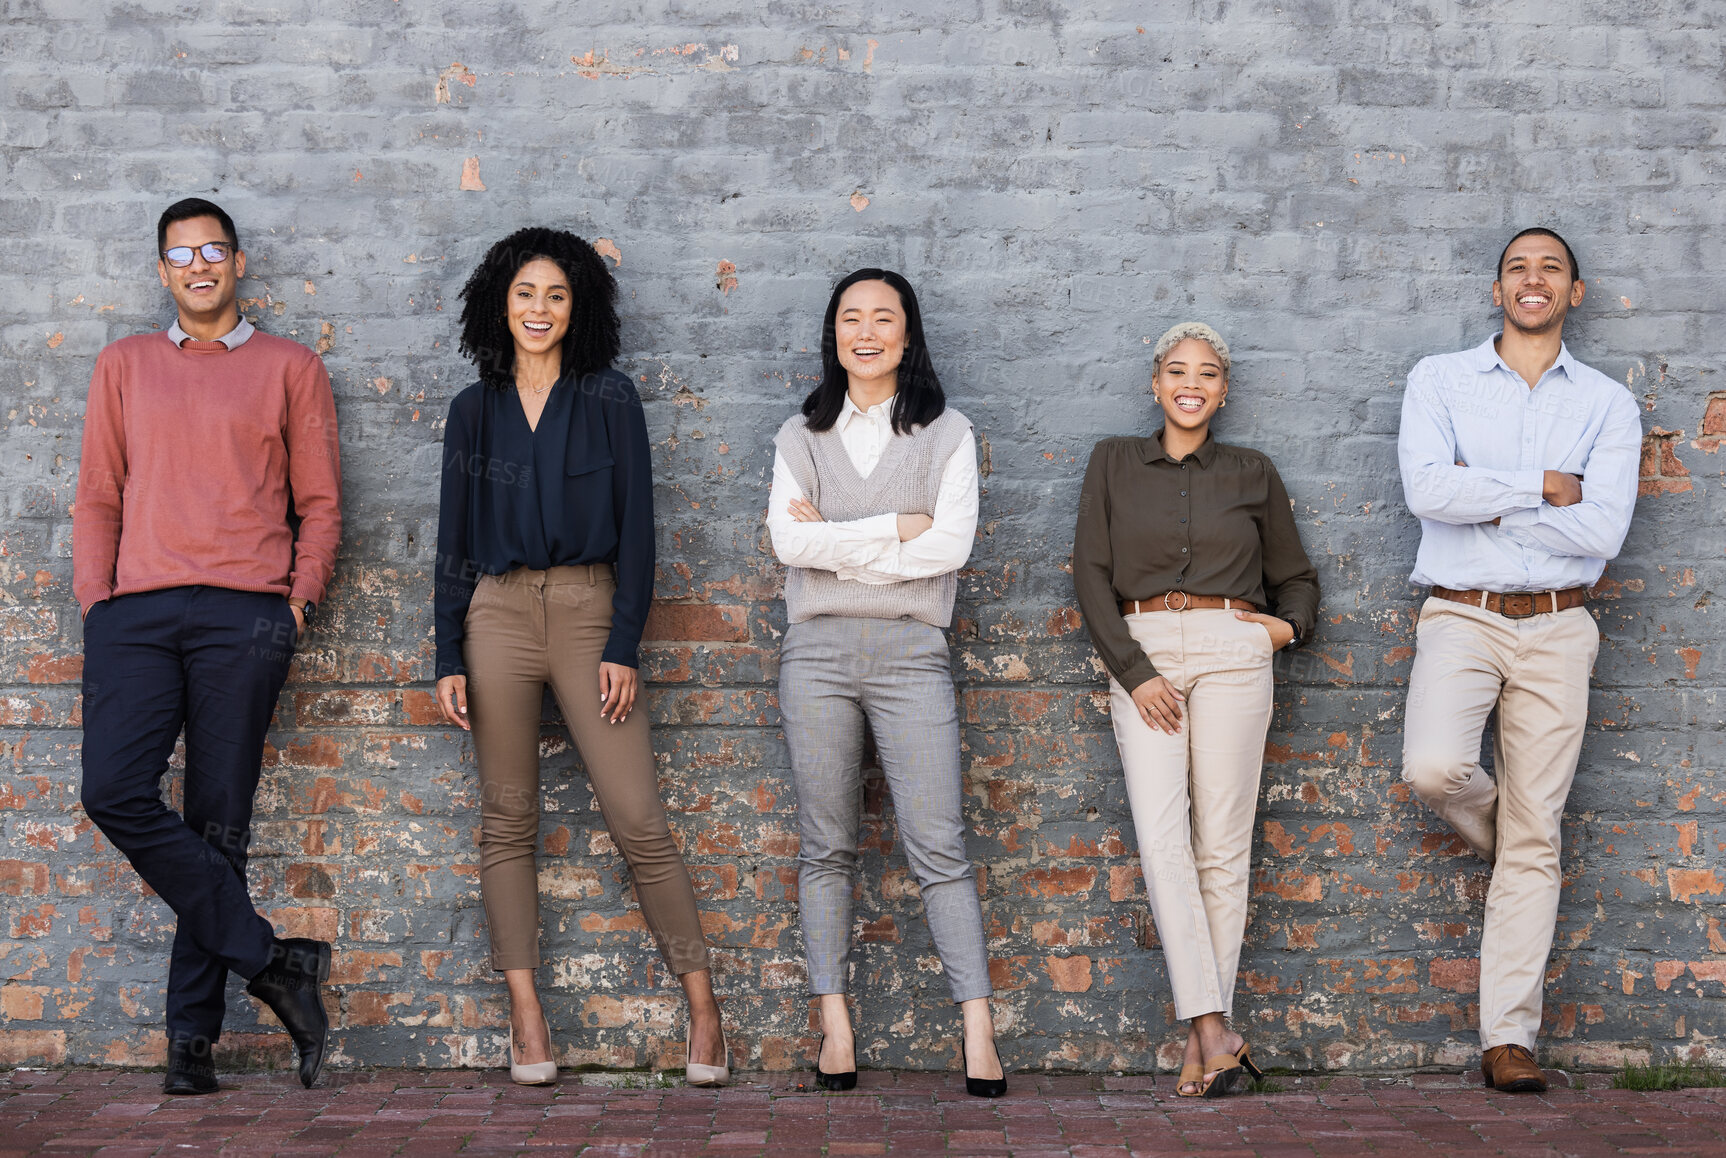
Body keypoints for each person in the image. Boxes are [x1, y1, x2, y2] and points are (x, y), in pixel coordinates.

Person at [433, 227, 726, 1087]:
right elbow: (452, 541)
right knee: (506, 820)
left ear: (578, 307)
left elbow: (639, 529)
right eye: (525, 293)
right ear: (501, 302)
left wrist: (625, 643)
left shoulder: (610, 398)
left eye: (556, 295)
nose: (539, 309)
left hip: (591, 610)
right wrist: (448, 649)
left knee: (640, 819)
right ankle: (527, 1015)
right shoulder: (472, 410)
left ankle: (703, 1009)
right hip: (497, 617)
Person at [74, 197, 343, 1094]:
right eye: (181, 254)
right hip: (136, 616)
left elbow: (321, 501)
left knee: (215, 824)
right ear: (163, 271)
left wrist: (297, 602)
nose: (198, 265)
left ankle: (190, 1048)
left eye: (213, 250)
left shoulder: (289, 367)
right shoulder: (124, 365)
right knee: (113, 789)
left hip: (245, 615)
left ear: (237, 263)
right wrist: (96, 604)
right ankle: (275, 962)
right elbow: (98, 494)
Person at [1398, 228, 1641, 1093]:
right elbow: (1427, 490)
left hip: (1561, 624)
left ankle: (1509, 1040)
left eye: (1550, 269)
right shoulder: (1440, 380)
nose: (1532, 280)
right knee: (1434, 768)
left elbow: (1602, 530)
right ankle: (1521, 853)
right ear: (1496, 288)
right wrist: (1543, 484)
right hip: (1461, 616)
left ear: (1576, 291)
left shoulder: (1608, 405)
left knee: (1539, 832)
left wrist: (1485, 491)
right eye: (1517, 268)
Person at [766, 268, 1007, 1097]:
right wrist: (895, 531)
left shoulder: (949, 432)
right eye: (849, 318)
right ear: (833, 333)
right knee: (826, 846)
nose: (864, 332)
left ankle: (978, 1031)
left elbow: (951, 549)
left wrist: (837, 537)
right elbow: (788, 549)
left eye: (883, 318)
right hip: (819, 655)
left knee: (939, 845)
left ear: (909, 334)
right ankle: (834, 1028)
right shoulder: (800, 434)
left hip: (912, 655)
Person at [1073, 322, 1319, 1099]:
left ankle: (1202, 1037)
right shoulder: (1113, 461)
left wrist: (1281, 630)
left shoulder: (1253, 471)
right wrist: (1135, 671)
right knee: (1161, 836)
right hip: (1142, 648)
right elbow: (1089, 572)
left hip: (1234, 650)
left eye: (1207, 373)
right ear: (1155, 384)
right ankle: (1215, 1030)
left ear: (1222, 390)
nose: (1191, 383)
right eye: (1177, 371)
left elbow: (1298, 579)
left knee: (1222, 843)